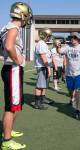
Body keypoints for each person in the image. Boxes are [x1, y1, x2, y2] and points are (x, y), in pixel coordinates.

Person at [0, 2, 32, 149]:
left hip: (10, 69)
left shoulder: (6, 27)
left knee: (16, 105)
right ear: (23, 15)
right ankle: (6, 141)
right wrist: (17, 59)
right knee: (11, 107)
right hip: (12, 69)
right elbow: (8, 46)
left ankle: (8, 131)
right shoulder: (13, 27)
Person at [34, 28, 52, 110]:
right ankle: (37, 103)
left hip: (43, 66)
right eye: (48, 36)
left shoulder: (43, 43)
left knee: (43, 85)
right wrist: (48, 67)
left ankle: (42, 99)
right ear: (44, 35)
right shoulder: (41, 44)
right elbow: (43, 57)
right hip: (42, 66)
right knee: (40, 85)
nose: (49, 37)